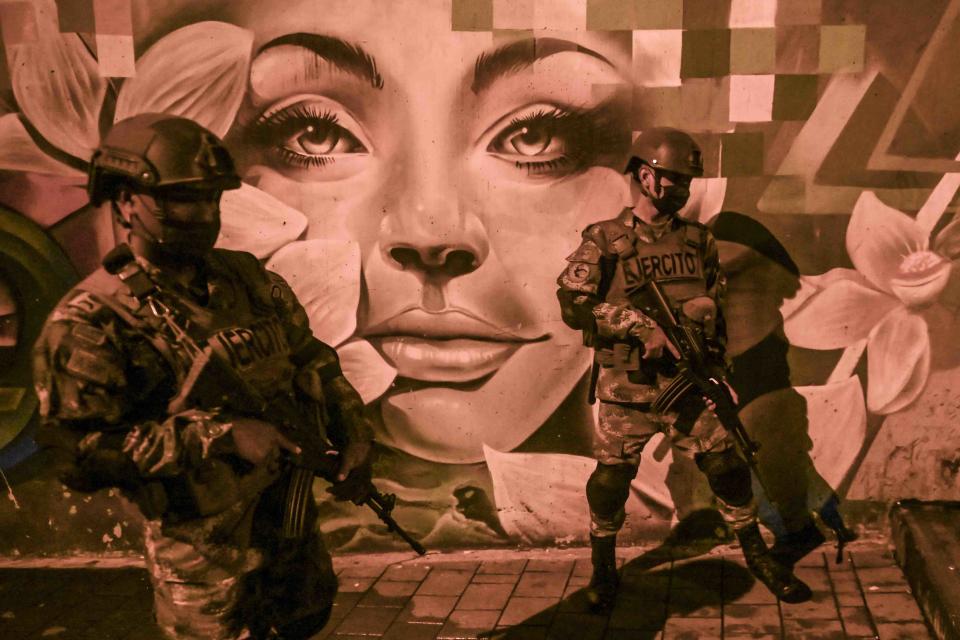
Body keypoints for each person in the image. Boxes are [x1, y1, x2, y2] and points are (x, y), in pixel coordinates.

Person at [32, 113, 374, 639]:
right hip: (202, 556)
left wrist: (352, 431)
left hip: (286, 526)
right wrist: (218, 436)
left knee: (305, 619)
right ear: (126, 202)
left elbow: (312, 359)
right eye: (181, 199)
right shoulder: (91, 321)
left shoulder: (249, 279)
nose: (201, 214)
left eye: (211, 199)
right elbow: (78, 455)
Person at [556, 127, 812, 609]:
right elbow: (573, 304)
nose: (682, 190)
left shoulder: (698, 240)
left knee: (727, 467)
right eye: (673, 180)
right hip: (626, 388)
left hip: (689, 384)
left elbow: (715, 305)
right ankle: (604, 571)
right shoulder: (605, 239)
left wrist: (711, 341)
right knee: (611, 480)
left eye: (687, 183)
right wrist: (636, 325)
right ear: (645, 177)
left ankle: (759, 557)